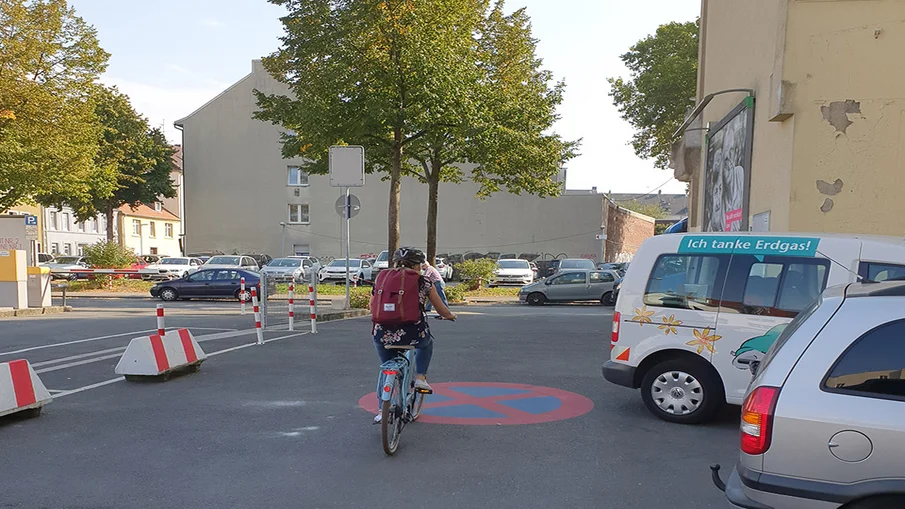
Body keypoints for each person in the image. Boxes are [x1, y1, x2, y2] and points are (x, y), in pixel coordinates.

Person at [372, 248, 456, 423]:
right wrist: (449, 316)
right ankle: (420, 378)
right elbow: (441, 309)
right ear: (418, 265)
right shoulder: (423, 281)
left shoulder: (382, 278)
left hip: (382, 332)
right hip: (412, 332)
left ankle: (382, 410)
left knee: (386, 366)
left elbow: (372, 305)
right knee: (426, 344)